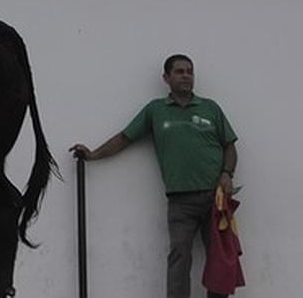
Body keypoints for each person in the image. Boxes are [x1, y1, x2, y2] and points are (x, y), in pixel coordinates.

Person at [70, 54, 238, 298]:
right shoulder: (155, 110)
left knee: (219, 258)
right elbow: (124, 138)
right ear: (166, 78)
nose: (186, 76)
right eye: (179, 71)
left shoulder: (210, 108)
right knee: (179, 254)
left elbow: (230, 146)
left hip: (216, 199)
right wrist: (93, 154)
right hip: (181, 202)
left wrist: (227, 173)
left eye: (190, 71)